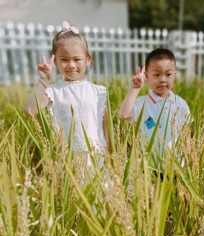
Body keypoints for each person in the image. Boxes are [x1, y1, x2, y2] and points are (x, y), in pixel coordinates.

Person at [24, 21, 108, 153]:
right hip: (68, 159)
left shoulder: (98, 92)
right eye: (64, 60)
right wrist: (44, 81)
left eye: (77, 59)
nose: (71, 65)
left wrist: (113, 159)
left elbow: (106, 128)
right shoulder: (54, 92)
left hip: (98, 157)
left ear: (88, 60)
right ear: (55, 61)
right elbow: (30, 110)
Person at [118, 48, 190, 159]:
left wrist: (189, 159)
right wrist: (135, 89)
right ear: (147, 76)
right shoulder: (142, 103)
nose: (162, 79)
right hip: (150, 166)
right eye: (156, 75)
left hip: (175, 166)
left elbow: (186, 135)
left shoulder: (180, 103)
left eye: (168, 74)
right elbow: (123, 114)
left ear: (174, 75)